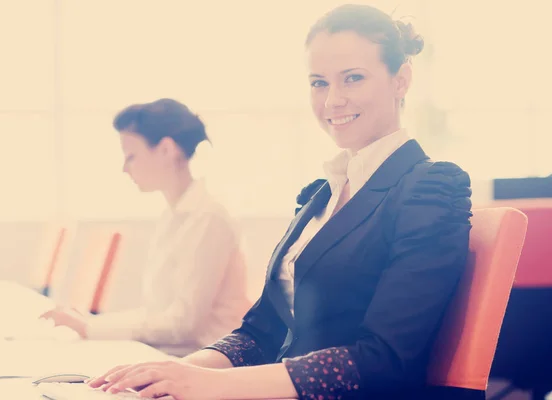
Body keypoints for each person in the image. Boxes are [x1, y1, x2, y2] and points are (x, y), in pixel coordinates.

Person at [88, 4, 472, 399]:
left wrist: (211, 385)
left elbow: (383, 360)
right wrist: (171, 372)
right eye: (319, 83)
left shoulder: (430, 186)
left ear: (401, 80)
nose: (332, 100)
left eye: (353, 78)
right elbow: (260, 332)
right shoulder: (321, 194)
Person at [41, 98, 251, 357]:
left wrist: (91, 327)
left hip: (204, 362)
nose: (124, 169)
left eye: (131, 157)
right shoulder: (174, 216)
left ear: (165, 150)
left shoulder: (209, 218)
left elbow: (183, 325)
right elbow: (156, 313)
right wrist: (89, 324)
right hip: (174, 354)